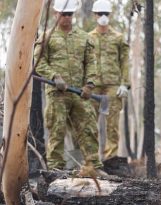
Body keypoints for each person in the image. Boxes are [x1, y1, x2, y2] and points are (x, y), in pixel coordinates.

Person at [34, 0, 102, 170]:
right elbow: (39, 62)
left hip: (79, 93)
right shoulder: (46, 37)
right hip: (57, 94)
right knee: (57, 131)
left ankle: (93, 166)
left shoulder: (83, 37)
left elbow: (91, 62)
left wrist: (89, 84)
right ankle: (56, 169)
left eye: (69, 14)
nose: (66, 18)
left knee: (89, 128)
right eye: (63, 14)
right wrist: (54, 76)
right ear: (55, 14)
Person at [88, 0, 130, 161]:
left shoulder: (118, 38)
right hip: (93, 85)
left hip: (113, 85)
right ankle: (91, 159)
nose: (103, 17)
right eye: (100, 14)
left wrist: (125, 84)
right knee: (90, 123)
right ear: (95, 15)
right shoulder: (88, 38)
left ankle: (111, 159)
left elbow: (125, 62)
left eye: (106, 14)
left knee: (112, 124)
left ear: (110, 15)